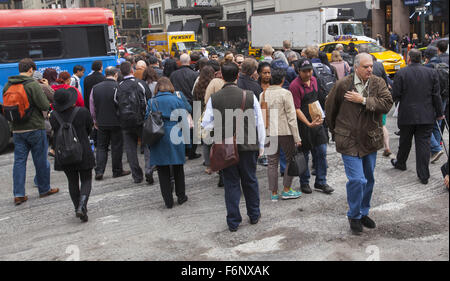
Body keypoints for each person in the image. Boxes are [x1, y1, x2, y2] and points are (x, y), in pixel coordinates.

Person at [325, 53, 393, 235]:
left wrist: (362, 100)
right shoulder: (342, 85)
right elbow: (330, 109)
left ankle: (364, 212)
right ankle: (354, 215)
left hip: (370, 140)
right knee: (357, 180)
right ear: (356, 67)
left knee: (369, 180)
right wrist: (336, 131)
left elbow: (387, 104)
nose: (370, 69)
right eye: (365, 66)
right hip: (348, 141)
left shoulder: (378, 83)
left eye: (371, 66)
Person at [201, 62, 266, 232]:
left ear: (221, 76)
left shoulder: (214, 99)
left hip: (226, 147)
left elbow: (206, 124)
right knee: (250, 181)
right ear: (237, 76)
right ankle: (254, 214)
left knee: (231, 184)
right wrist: (261, 146)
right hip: (249, 145)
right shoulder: (250, 95)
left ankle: (233, 221)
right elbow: (259, 122)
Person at [3, 58, 59, 205]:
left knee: (19, 161)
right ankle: (44, 189)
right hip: (35, 127)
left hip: (17, 130)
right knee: (40, 159)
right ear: (30, 70)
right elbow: (44, 104)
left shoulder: (8, 85)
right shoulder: (32, 85)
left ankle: (19, 194)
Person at [391, 49, 444, 185]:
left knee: (405, 141)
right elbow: (436, 96)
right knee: (423, 145)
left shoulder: (401, 73)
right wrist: (439, 113)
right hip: (425, 114)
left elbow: (395, 94)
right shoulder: (431, 73)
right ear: (421, 58)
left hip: (407, 114)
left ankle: (401, 162)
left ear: (409, 59)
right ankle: (423, 175)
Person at [146, 77, 191, 209]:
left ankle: (168, 200)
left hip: (158, 135)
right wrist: (188, 144)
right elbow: (184, 121)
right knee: (178, 168)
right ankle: (181, 196)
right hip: (176, 133)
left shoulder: (152, 101)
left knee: (162, 170)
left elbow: (146, 120)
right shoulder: (177, 100)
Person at [50, 88, 94, 222]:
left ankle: (77, 207)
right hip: (82, 150)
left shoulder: (53, 116)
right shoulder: (82, 112)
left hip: (64, 152)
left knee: (72, 181)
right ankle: (82, 205)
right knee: (86, 179)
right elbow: (89, 128)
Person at [290, 58, 333, 195]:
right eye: (304, 71)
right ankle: (304, 182)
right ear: (299, 71)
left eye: (309, 70)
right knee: (305, 155)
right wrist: (308, 123)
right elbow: (296, 109)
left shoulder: (315, 80)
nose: (308, 74)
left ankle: (321, 181)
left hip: (317, 122)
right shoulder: (294, 86)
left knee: (321, 151)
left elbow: (319, 99)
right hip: (304, 124)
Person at [263, 68, 302, 201]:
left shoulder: (263, 94)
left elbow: (263, 117)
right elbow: (292, 117)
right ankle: (286, 189)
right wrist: (297, 137)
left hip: (269, 132)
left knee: (272, 162)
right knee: (290, 159)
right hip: (285, 131)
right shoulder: (285, 93)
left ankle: (273, 192)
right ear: (283, 80)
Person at [90, 66, 131, 181]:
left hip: (101, 122)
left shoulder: (95, 88)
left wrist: (95, 120)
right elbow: (122, 105)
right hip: (116, 121)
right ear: (116, 75)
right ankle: (117, 170)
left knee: (101, 147)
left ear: (105, 74)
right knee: (116, 146)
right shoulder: (118, 87)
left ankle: (99, 171)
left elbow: (92, 106)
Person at [117, 61, 150, 184]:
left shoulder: (118, 86)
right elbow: (148, 99)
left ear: (121, 72)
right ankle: (149, 169)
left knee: (130, 150)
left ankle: (136, 175)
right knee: (147, 145)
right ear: (132, 71)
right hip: (141, 120)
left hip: (125, 122)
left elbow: (115, 102)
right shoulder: (140, 84)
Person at [170, 53, 200, 160]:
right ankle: (191, 151)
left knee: (181, 127)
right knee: (193, 128)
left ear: (179, 61)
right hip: (192, 103)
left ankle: (184, 150)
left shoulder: (173, 75)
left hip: (178, 103)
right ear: (189, 61)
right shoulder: (194, 75)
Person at [193, 65, 215, 175]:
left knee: (206, 142)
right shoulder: (214, 85)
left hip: (201, 114)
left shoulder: (197, 86)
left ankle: (208, 165)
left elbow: (195, 101)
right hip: (213, 115)